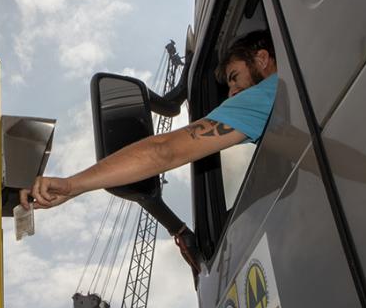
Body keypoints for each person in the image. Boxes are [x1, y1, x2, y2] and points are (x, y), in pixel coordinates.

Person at [19, 30, 278, 268]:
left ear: (263, 58)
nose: (232, 93)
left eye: (234, 78)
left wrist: (72, 185)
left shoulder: (265, 95)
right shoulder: (280, 101)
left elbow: (163, 151)